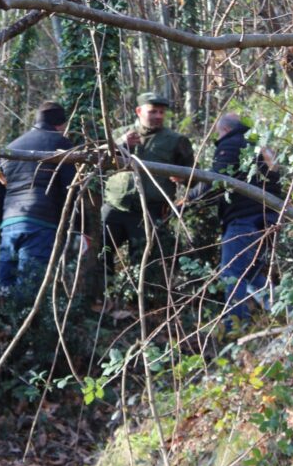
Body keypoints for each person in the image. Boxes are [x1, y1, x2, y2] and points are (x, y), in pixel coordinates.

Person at [185, 113, 282, 323]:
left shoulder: (231, 144)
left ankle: (235, 328)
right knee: (254, 276)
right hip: (268, 219)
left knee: (232, 275)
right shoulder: (259, 146)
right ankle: (289, 314)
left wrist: (187, 200)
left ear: (226, 130)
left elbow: (215, 180)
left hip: (244, 221)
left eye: (219, 133)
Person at [0, 101, 75, 308]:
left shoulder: (11, 147)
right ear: (61, 124)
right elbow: (71, 189)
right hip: (41, 225)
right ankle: (28, 335)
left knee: (4, 287)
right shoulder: (62, 146)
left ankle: (2, 331)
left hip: (9, 225)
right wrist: (78, 229)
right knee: (30, 288)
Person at [102, 92, 194, 269]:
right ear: (139, 111)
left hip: (150, 214)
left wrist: (184, 178)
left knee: (148, 268)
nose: (158, 116)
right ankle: (103, 296)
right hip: (115, 209)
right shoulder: (119, 134)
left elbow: (194, 177)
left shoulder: (176, 141)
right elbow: (99, 161)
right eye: (153, 112)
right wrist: (121, 143)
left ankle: (141, 296)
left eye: (161, 112)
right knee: (100, 258)